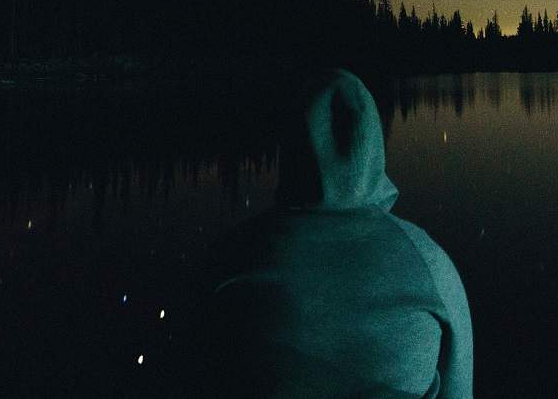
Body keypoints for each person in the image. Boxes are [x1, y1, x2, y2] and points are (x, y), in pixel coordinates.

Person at [193, 67, 473, 398]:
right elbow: (459, 389)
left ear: (292, 149)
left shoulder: (229, 258)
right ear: (373, 146)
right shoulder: (429, 263)